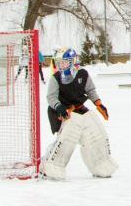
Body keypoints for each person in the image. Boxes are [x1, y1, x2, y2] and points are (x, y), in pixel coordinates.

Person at [39, 48, 117, 180]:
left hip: (79, 108)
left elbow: (90, 90)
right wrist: (60, 108)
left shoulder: (83, 74)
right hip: (63, 112)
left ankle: (101, 166)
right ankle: (51, 167)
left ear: (72, 61)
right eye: (59, 62)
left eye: (64, 62)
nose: (60, 65)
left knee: (96, 133)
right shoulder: (56, 78)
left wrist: (98, 104)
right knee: (67, 139)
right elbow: (51, 98)